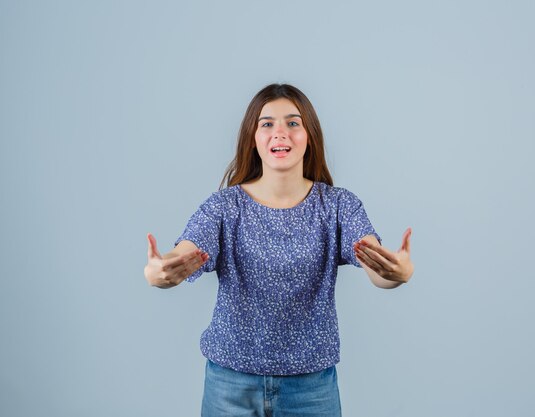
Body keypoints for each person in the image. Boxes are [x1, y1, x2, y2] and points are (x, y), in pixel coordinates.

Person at [144, 83, 414, 416]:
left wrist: (398, 272)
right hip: (230, 384)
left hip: (312, 388)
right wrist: (160, 270)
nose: (279, 133)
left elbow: (377, 265)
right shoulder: (224, 207)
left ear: (309, 135)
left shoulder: (339, 206)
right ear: (252, 138)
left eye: (293, 122)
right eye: (267, 123)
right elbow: (183, 253)